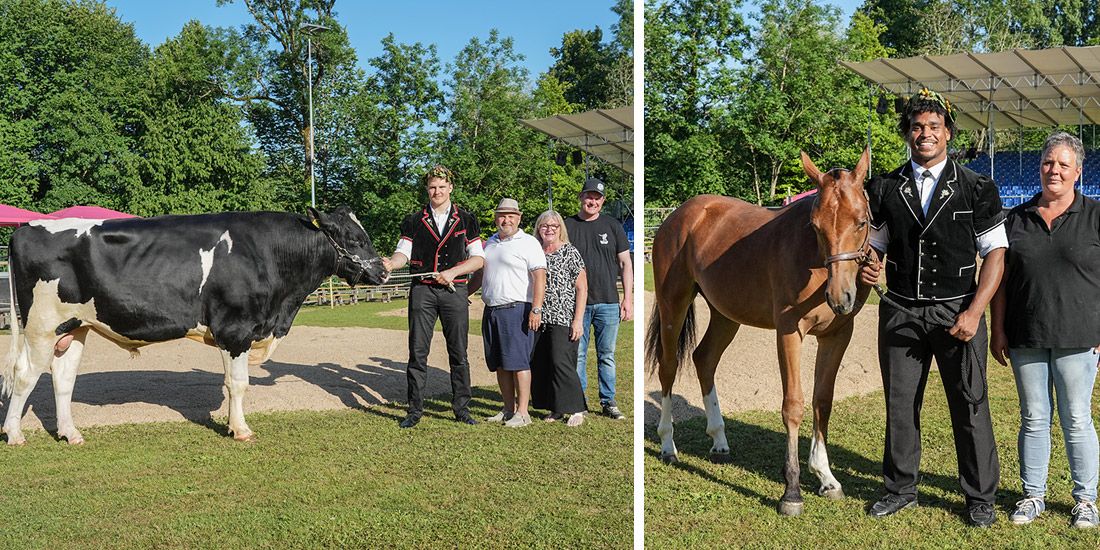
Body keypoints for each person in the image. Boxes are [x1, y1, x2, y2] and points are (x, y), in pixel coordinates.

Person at [860, 88, 1006, 527]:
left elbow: (996, 254)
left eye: (934, 127)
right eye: (917, 127)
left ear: (948, 133)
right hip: (901, 311)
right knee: (900, 405)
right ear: (908, 133)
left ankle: (979, 496)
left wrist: (975, 311)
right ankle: (900, 489)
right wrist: (871, 264)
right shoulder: (885, 186)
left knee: (970, 405)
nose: (925, 134)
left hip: (958, 311)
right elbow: (876, 244)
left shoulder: (977, 187)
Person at [990, 131, 1100, 529]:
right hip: (1026, 335)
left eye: (1063, 164)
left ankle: (1085, 500)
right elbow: (1001, 281)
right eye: (1048, 163)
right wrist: (998, 330)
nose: (1054, 170)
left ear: (1078, 171)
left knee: (1077, 419)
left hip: (1078, 336)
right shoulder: (1016, 218)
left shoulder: (1095, 216)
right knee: (1034, 417)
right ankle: (1032, 495)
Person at [382, 165, 484, 429]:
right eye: (432, 187)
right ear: (427, 190)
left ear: (450, 188)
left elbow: (478, 259)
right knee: (417, 352)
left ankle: (461, 409)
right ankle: (414, 410)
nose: (437, 191)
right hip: (423, 291)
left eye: (441, 186)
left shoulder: (467, 219)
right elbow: (403, 253)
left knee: (458, 352)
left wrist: (452, 272)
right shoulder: (414, 220)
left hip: (454, 291)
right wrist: (392, 263)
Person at [564, 177, 633, 420]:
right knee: (578, 354)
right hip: (577, 304)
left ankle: (608, 401)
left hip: (608, 302)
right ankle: (578, 400)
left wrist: (628, 299)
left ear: (602, 201)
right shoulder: (567, 226)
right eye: (589, 196)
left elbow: (625, 264)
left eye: (597, 198)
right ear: (581, 197)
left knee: (607, 355)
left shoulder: (612, 226)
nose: (592, 201)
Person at [479, 198, 547, 428]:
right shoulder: (490, 243)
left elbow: (539, 277)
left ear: (519, 218)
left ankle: (523, 412)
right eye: (501, 215)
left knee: (518, 362)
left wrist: (536, 308)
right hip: (492, 310)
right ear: (495, 218)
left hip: (517, 309)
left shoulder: (528, 243)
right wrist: (464, 293)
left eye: (510, 216)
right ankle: (508, 409)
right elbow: (480, 274)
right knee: (499, 363)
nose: (506, 220)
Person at [531, 210, 588, 427]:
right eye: (544, 226)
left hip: (563, 316)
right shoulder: (535, 251)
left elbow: (582, 288)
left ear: (560, 228)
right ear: (538, 228)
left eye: (553, 226)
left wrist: (578, 320)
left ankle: (576, 408)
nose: (549, 230)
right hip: (538, 316)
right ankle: (556, 407)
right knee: (543, 363)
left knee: (561, 362)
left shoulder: (569, 251)